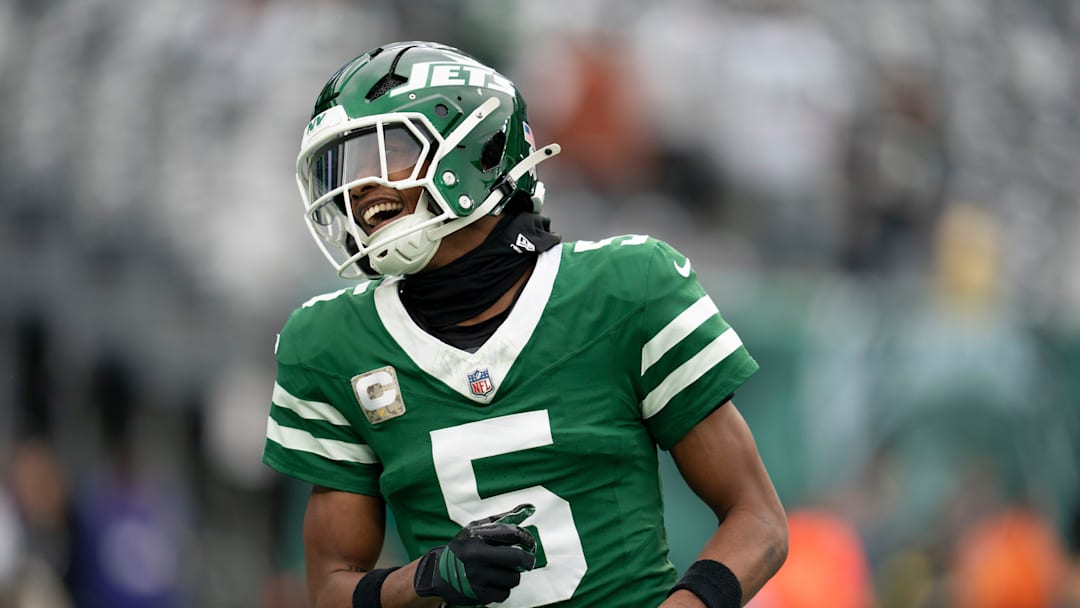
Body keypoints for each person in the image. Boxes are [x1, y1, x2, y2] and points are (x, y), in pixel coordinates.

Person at [261, 41, 788, 608]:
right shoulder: (330, 344)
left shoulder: (626, 288)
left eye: (382, 153)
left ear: (476, 148)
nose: (360, 186)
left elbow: (758, 520)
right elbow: (329, 587)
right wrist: (424, 579)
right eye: (345, 166)